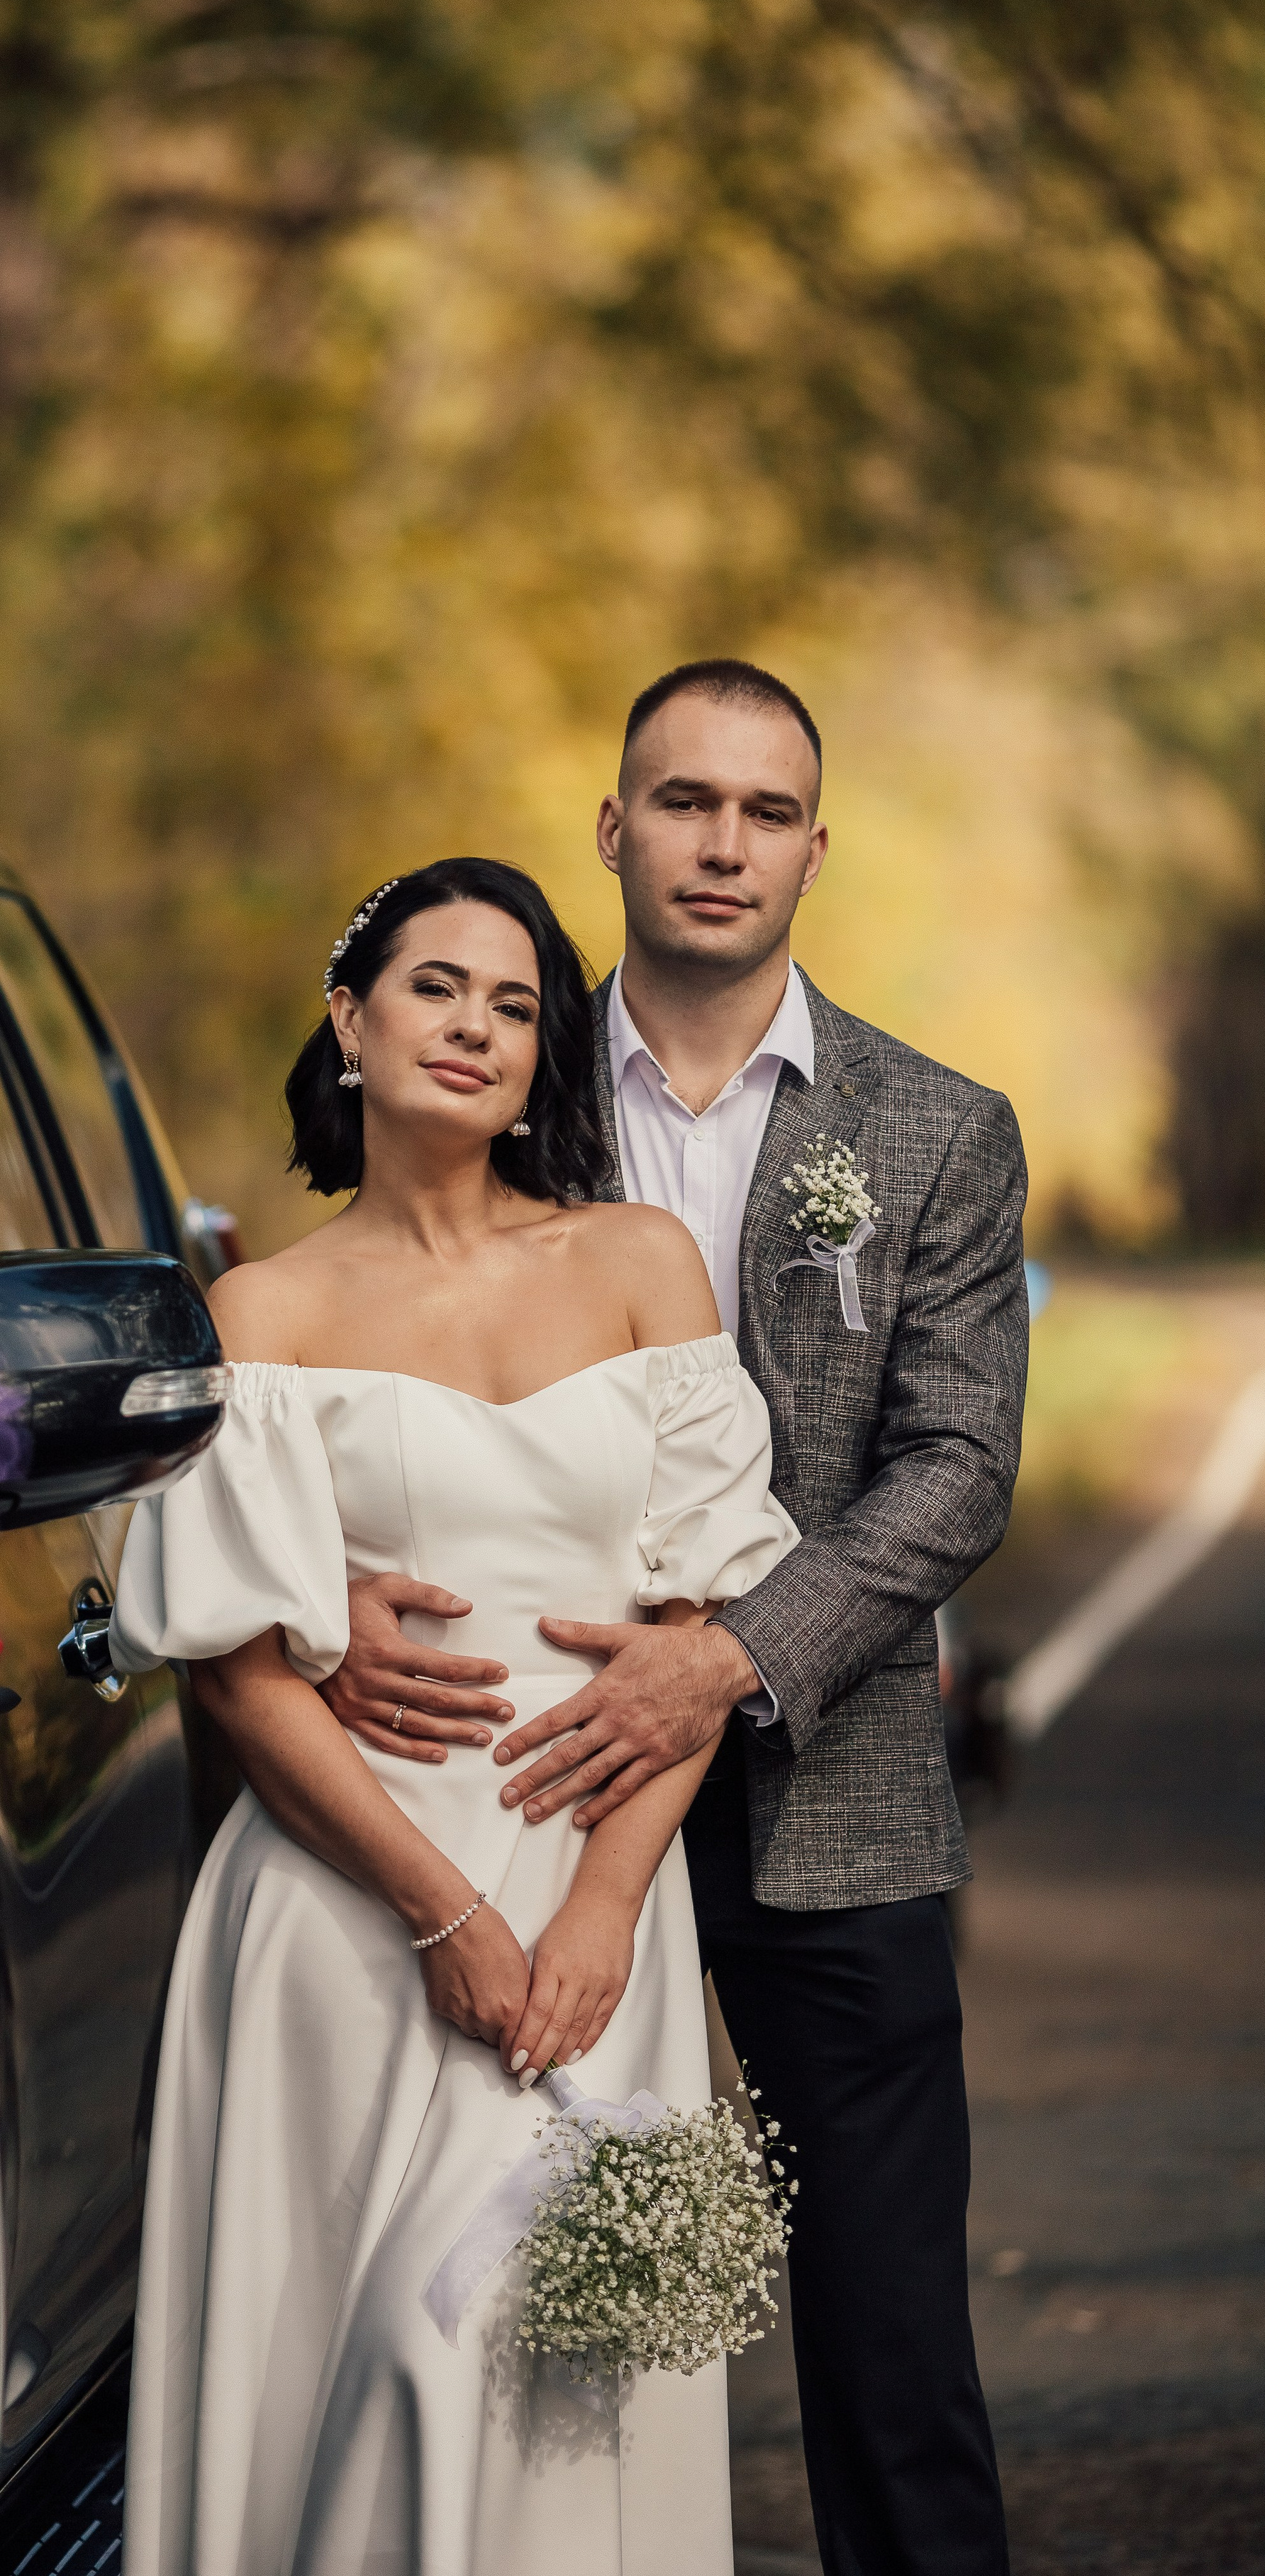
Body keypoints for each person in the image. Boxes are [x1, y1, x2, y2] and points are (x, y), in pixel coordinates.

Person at [323, 662, 1026, 2575]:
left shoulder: (937, 1130)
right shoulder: (489, 1072)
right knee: (497, 2301)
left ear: (816, 845)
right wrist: (333, 1588)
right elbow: (342, 1342)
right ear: (613, 828)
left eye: (766, 809)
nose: (725, 842)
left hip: (836, 1789)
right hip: (524, 1780)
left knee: (891, 2350)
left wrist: (727, 1657)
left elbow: (957, 1468)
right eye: (685, 800)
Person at [110, 857, 801, 2576]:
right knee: (362, 2358)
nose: (475, 1026)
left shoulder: (638, 1264)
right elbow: (237, 1670)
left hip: (584, 1906)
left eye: (512, 1003)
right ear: (349, 1019)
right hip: (346, 1913)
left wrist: (599, 1910)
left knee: (518, 2367)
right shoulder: (258, 1315)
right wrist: (440, 1905)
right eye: (436, 987)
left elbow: (696, 1624)